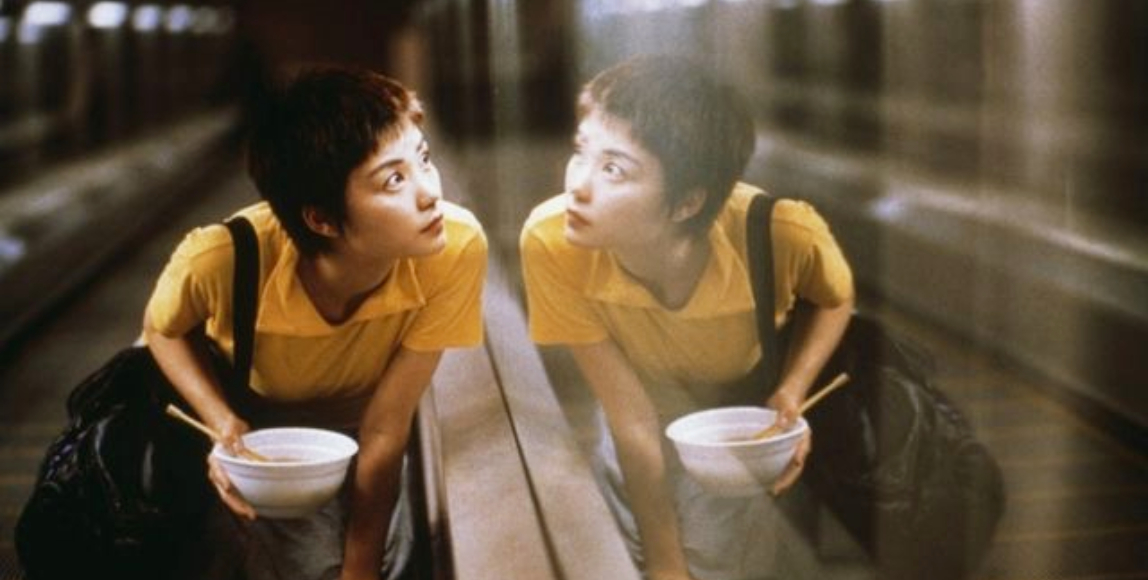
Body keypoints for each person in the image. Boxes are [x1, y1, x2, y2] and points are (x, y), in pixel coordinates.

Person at [143, 65, 487, 580]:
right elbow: (161, 330)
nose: (430, 193)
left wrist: (361, 568)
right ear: (321, 219)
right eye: (394, 180)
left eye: (423, 159)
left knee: (388, 558)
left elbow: (385, 426)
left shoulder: (454, 247)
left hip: (363, 425)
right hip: (264, 430)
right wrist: (222, 423)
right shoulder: (222, 258)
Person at [519, 55, 854, 580]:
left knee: (717, 556)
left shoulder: (780, 233)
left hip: (731, 407)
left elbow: (835, 299)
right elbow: (631, 418)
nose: (577, 185)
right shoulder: (551, 240)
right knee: (640, 547)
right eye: (581, 151)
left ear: (686, 205)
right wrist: (664, 561)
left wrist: (792, 390)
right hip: (639, 400)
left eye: (614, 169)